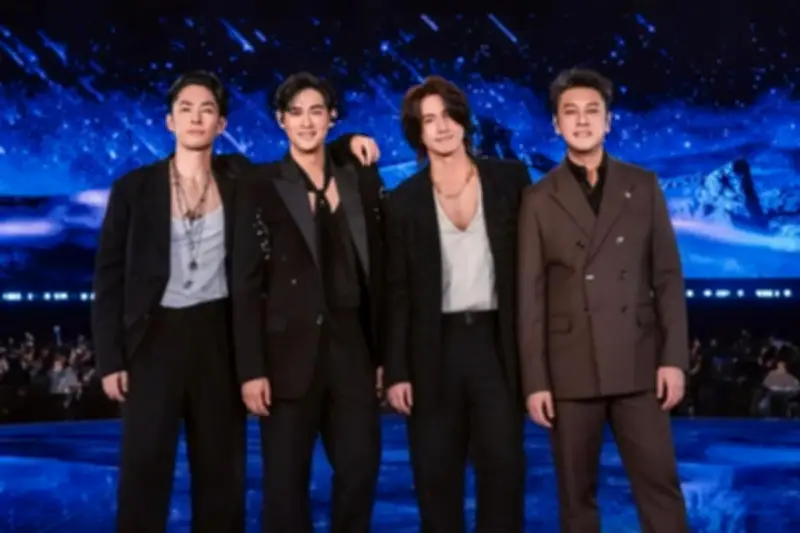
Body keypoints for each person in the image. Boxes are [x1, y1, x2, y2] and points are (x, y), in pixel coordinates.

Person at [92, 69, 380, 533]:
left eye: (207, 110)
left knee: (222, 476)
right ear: (169, 121)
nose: (196, 118)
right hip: (153, 341)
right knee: (144, 471)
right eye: (185, 109)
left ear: (221, 123)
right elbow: (108, 278)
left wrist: (348, 143)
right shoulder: (134, 188)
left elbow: (305, 152)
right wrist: (110, 358)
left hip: (218, 338)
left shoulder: (240, 178)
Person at [517, 67, 689, 533]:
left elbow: (668, 278)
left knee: (661, 489)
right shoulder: (538, 198)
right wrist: (536, 381)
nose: (582, 120)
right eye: (570, 112)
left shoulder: (643, 185)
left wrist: (673, 360)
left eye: (592, 111)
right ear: (556, 124)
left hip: (639, 363)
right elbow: (530, 295)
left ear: (608, 121)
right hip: (569, 369)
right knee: (576, 499)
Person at [231, 72, 385, 533]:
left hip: (352, 350)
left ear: (332, 117)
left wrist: (384, 355)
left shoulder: (358, 177)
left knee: (360, 470)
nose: (306, 121)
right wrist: (251, 369)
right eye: (295, 113)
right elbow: (245, 283)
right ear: (281, 120)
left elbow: (382, 268)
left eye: (316, 111)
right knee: (284, 488)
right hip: (286, 357)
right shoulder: (259, 183)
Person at [383, 75, 529, 532]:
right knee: (436, 479)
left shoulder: (509, 179)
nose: (442, 127)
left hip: (495, 346)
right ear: (418, 133)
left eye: (448, 116)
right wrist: (398, 370)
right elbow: (397, 292)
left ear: (464, 121)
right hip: (433, 351)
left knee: (503, 473)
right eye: (429, 120)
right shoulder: (403, 202)